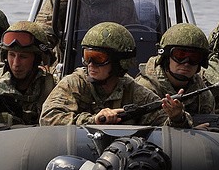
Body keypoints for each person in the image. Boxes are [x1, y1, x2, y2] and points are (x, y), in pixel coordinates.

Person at [39, 22, 189, 126]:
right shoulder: (74, 83)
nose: (90, 64)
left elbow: (164, 120)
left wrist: (176, 116)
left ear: (119, 63)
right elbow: (48, 118)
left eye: (98, 59)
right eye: (87, 56)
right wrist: (93, 121)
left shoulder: (134, 91)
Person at [136, 23, 214, 117]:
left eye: (194, 57)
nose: (186, 63)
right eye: (180, 56)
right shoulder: (145, 89)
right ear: (166, 57)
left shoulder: (203, 95)